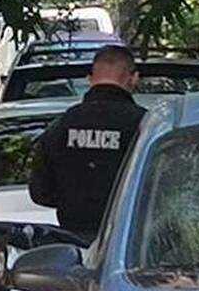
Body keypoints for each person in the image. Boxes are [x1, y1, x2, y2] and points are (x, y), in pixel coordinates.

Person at [29, 45, 147, 238]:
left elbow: (40, 192)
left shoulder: (62, 125)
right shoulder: (143, 124)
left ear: (90, 79)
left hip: (74, 237)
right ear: (134, 78)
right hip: (129, 238)